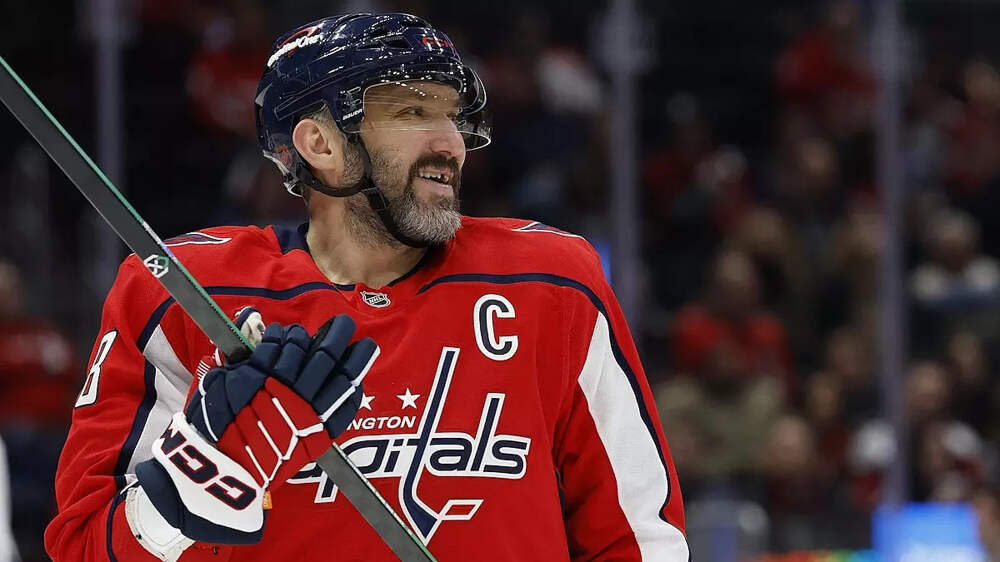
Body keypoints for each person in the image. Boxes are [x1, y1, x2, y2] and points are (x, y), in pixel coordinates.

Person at [44, 13, 688, 561]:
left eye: (452, 116)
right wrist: (202, 472)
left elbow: (639, 537)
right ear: (319, 143)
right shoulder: (184, 292)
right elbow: (84, 548)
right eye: (412, 111)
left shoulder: (552, 281)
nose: (450, 143)